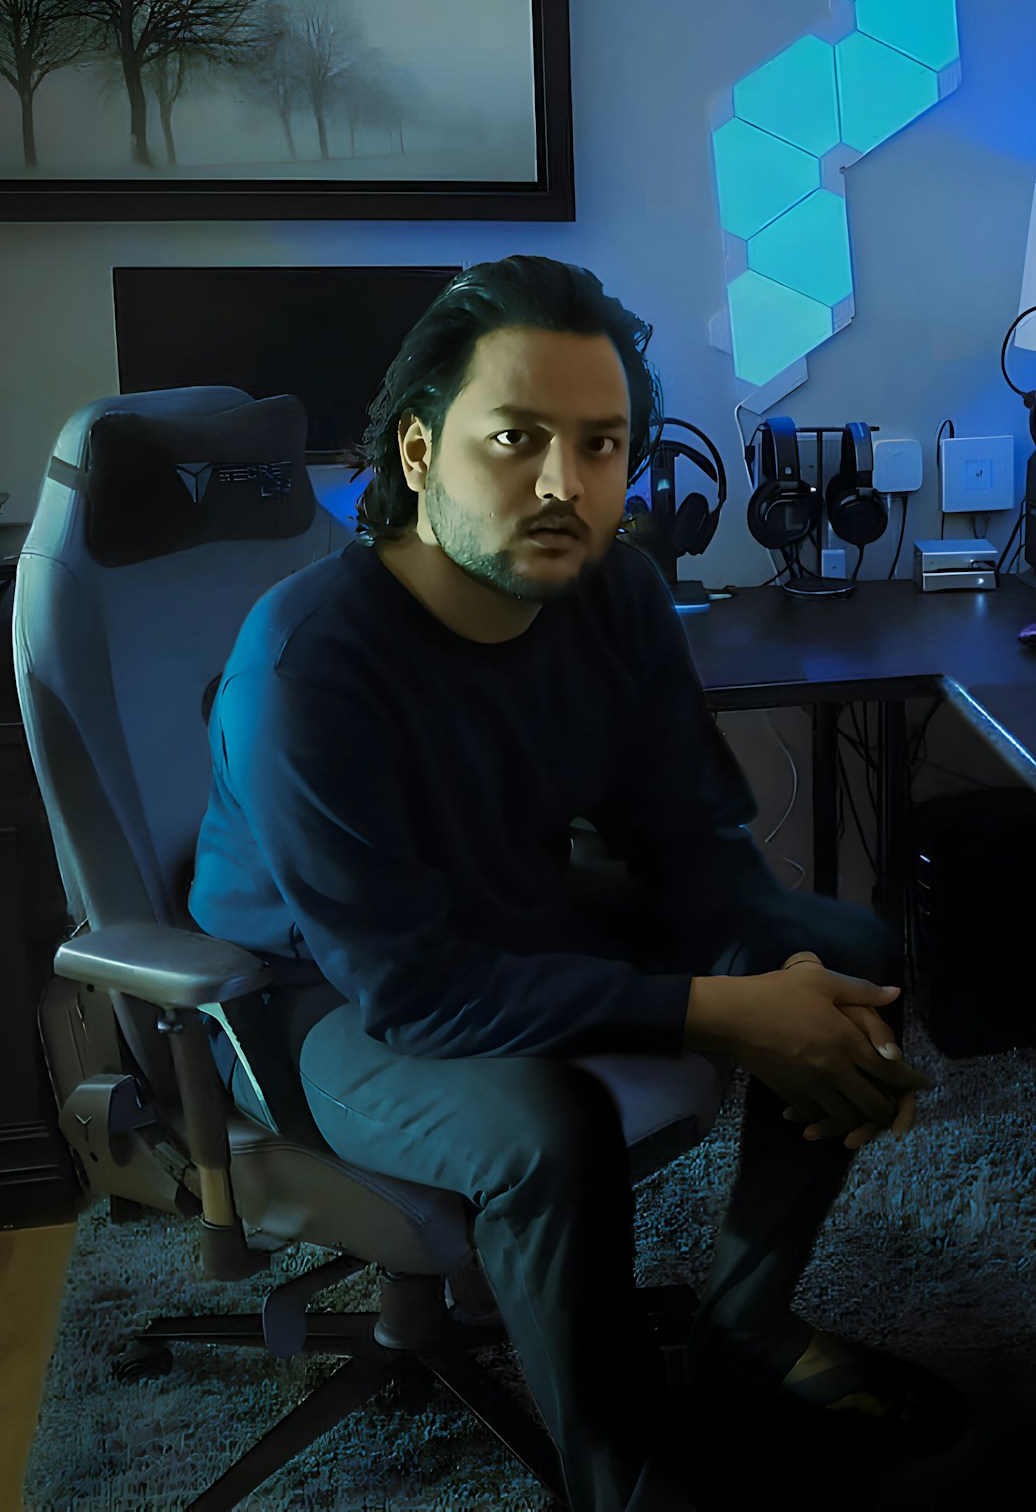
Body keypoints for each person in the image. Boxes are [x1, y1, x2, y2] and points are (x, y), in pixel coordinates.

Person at [187, 255, 947, 1512]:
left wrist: (787, 980)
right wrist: (721, 1014)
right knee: (546, 1130)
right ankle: (623, 1480)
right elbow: (417, 991)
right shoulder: (305, 666)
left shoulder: (616, 592)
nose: (565, 485)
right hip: (316, 991)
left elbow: (690, 837)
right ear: (420, 453)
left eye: (602, 446)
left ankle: (746, 1324)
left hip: (513, 909)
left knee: (846, 950)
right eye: (517, 439)